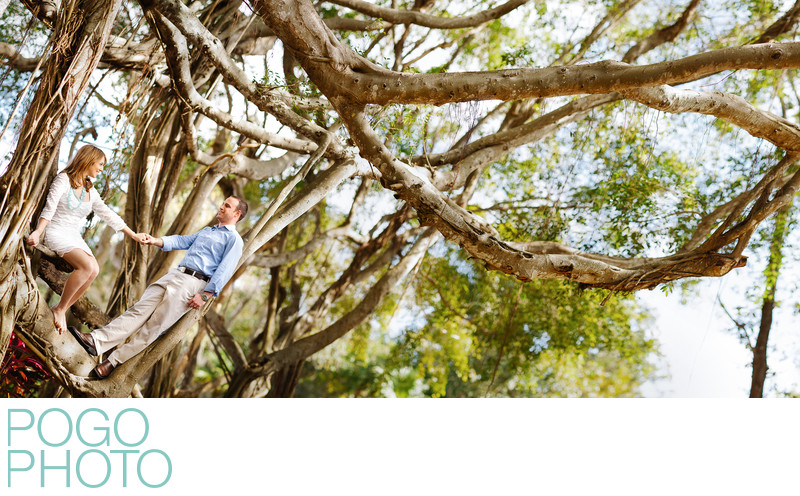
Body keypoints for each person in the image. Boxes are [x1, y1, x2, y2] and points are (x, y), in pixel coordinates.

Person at [69, 195, 248, 379]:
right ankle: (96, 341)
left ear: (236, 214)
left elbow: (225, 270)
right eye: (223, 203)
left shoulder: (234, 240)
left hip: (193, 284)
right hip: (176, 274)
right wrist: (155, 241)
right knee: (137, 311)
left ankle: (112, 362)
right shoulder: (208, 230)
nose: (221, 206)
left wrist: (205, 295)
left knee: (153, 327)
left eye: (227, 205)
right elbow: (183, 241)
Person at [26, 145, 148, 334]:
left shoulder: (90, 191)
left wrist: (132, 234)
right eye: (99, 164)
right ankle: (59, 308)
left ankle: (62, 308)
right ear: (88, 160)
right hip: (56, 231)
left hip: (73, 235)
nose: (101, 169)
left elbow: (108, 214)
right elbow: (49, 208)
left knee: (94, 270)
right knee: (86, 266)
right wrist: (37, 232)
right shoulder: (63, 180)